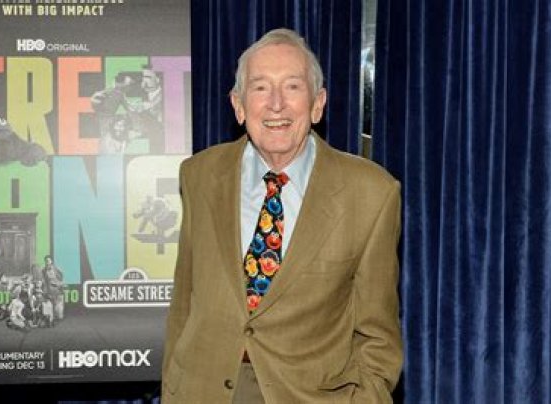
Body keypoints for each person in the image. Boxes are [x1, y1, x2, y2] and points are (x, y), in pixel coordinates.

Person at [162, 28, 402, 403]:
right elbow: (183, 306)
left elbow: (378, 336)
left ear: (318, 104)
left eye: (292, 86)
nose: (276, 104)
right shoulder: (199, 176)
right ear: (239, 106)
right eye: (260, 87)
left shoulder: (371, 193)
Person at [41, 255, 64, 323]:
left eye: (48, 260)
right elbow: (43, 280)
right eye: (46, 261)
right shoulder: (43, 270)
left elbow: (61, 277)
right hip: (49, 289)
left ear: (51, 261)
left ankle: (57, 316)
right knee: (49, 305)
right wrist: (45, 289)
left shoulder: (56, 269)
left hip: (57, 289)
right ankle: (50, 318)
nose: (47, 262)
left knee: (59, 312)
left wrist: (59, 284)